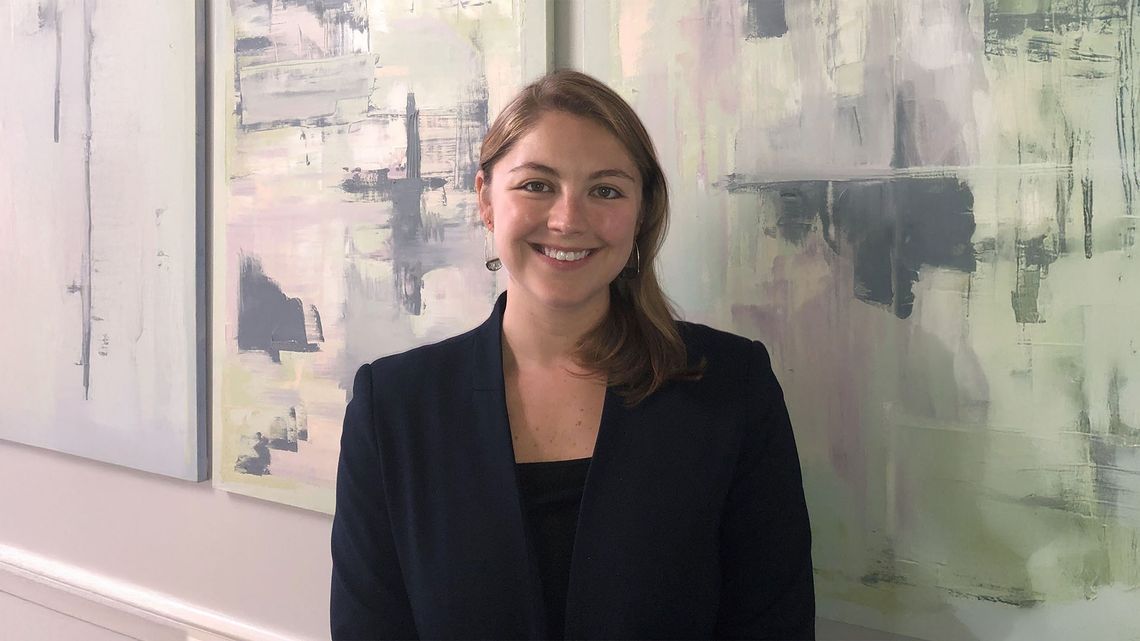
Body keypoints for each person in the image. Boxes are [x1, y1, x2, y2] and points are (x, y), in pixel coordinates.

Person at [330, 69, 815, 640]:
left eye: (605, 190)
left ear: (642, 211)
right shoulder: (392, 407)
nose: (567, 220)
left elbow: (773, 624)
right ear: (486, 199)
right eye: (537, 185)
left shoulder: (731, 387)